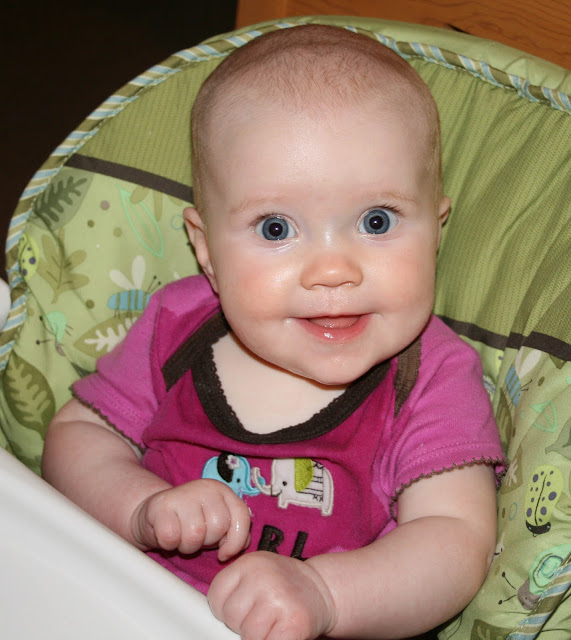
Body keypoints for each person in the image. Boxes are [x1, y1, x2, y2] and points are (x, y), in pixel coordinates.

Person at [42, 25, 506, 639]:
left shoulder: (430, 377)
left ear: (436, 230)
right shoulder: (176, 326)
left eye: (376, 220)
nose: (333, 270)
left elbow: (455, 540)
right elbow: (77, 437)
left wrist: (325, 595)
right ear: (206, 250)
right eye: (275, 229)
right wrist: (140, 507)